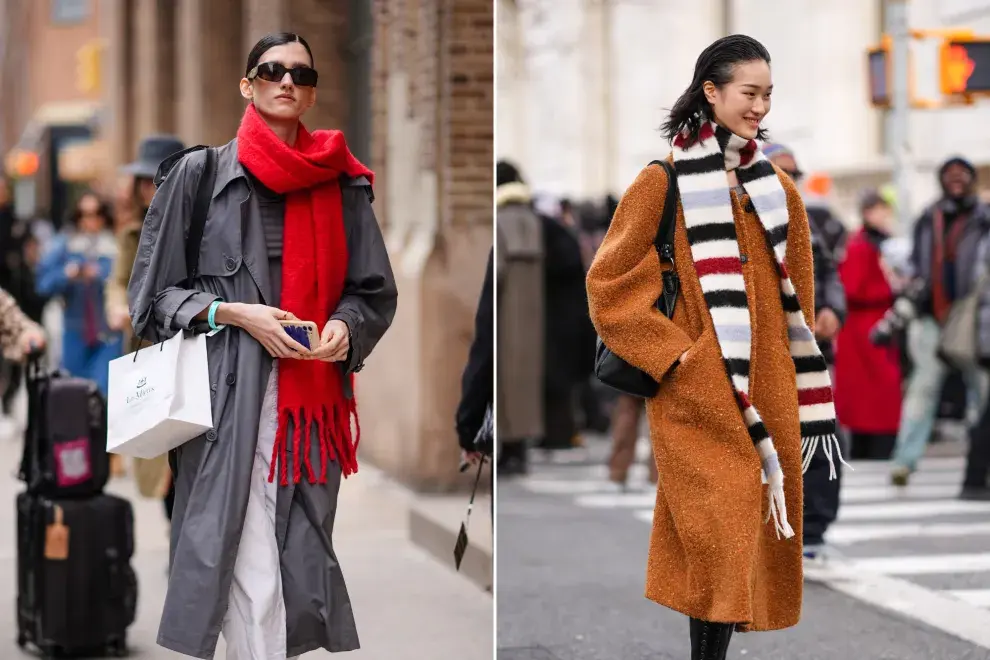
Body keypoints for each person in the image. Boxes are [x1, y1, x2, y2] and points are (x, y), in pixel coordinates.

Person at [127, 32, 397, 659]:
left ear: (311, 93)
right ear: (247, 85)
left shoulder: (343, 183)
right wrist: (232, 312)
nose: (286, 82)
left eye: (301, 75)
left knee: (294, 551)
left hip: (309, 404)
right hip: (225, 398)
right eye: (271, 71)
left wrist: (345, 328)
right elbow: (151, 300)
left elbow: (371, 291)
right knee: (247, 557)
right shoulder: (198, 175)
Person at [586, 35, 841, 658]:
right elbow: (608, 285)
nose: (760, 107)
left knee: (741, 540)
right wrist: (680, 359)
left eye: (767, 95)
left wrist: (785, 362)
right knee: (715, 536)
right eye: (749, 94)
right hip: (695, 395)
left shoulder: (777, 187)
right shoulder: (662, 180)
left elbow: (799, 296)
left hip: (769, 393)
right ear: (712, 91)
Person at [763, 143, 847, 563]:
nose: (787, 183)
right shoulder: (738, 215)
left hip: (810, 354)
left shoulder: (811, 222)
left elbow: (830, 272)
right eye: (779, 172)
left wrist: (832, 308)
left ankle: (812, 529)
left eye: (793, 175)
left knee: (823, 435)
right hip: (761, 356)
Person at [887, 156, 990, 486]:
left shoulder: (984, 218)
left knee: (982, 394)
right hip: (933, 316)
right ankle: (904, 461)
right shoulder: (928, 218)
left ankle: (980, 463)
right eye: (950, 175)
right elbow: (916, 266)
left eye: (963, 175)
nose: (956, 180)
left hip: (973, 319)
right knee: (922, 389)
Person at [107, 135, 187, 512]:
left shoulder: (200, 229)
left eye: (158, 179)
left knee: (192, 456)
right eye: (144, 181)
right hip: (149, 356)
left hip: (193, 354)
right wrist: (118, 307)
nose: (149, 189)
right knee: (160, 460)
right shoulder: (133, 234)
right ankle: (181, 554)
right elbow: (118, 283)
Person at [835, 190, 902, 461]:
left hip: (871, 324)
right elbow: (852, 288)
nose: (884, 215)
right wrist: (889, 289)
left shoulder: (874, 242)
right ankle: (874, 447)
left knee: (876, 391)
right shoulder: (861, 245)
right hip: (865, 326)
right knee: (875, 389)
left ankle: (871, 445)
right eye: (879, 210)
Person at [35, 192, 121, 396]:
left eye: (96, 213)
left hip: (107, 334)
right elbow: (42, 285)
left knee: (105, 395)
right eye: (84, 214)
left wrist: (101, 274)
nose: (90, 220)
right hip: (75, 333)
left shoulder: (115, 247)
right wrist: (67, 274)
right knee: (76, 397)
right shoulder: (64, 246)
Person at [496, 160, 544, 476]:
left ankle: (509, 448)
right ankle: (521, 449)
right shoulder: (534, 221)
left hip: (505, 313)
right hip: (533, 315)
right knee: (527, 382)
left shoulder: (499, 221)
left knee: (505, 381)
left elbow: (497, 271)